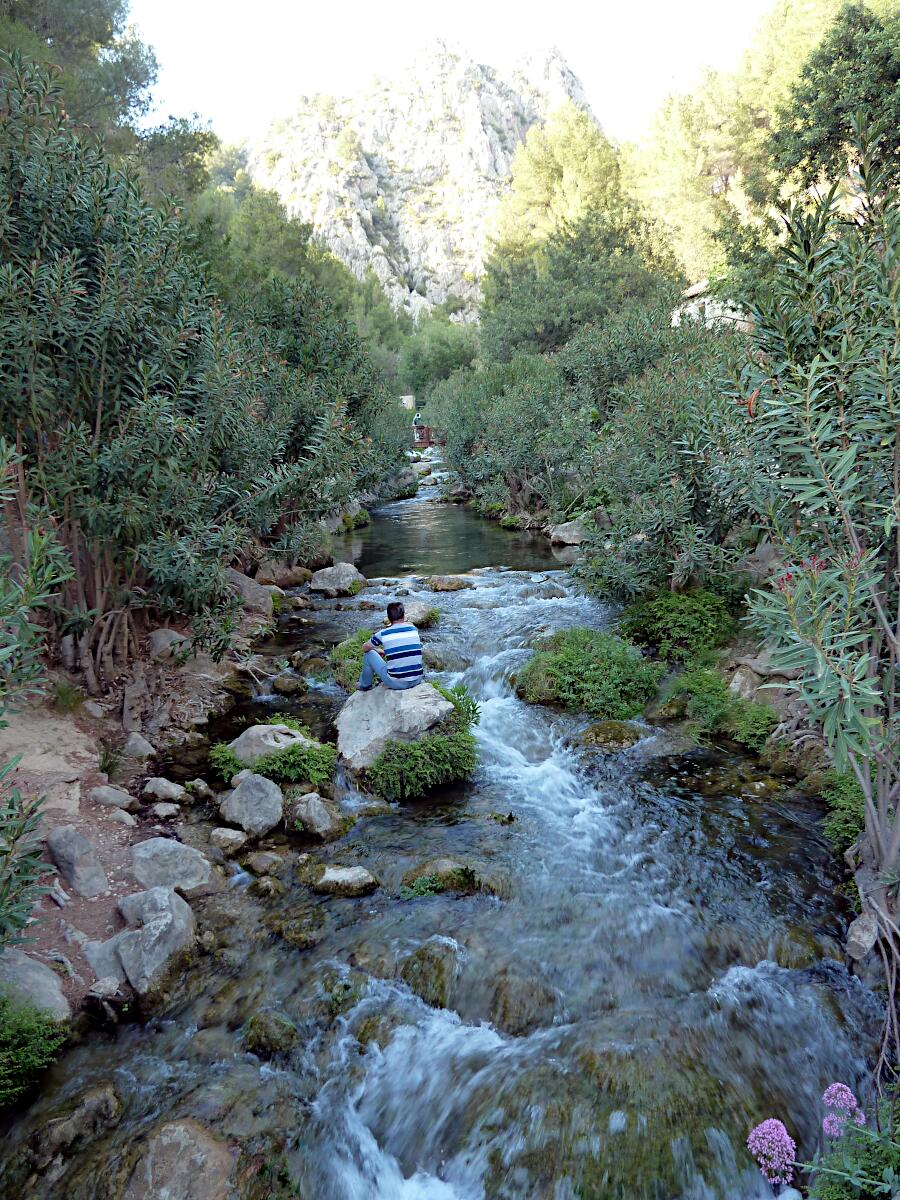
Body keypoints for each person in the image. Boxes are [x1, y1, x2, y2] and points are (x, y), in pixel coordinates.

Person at [357, 601, 424, 691]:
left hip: (397, 683)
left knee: (369, 654)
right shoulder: (413, 630)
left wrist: (376, 650)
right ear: (403, 616)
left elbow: (365, 648)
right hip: (417, 679)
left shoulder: (384, 633)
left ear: (389, 618)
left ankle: (364, 685)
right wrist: (384, 651)